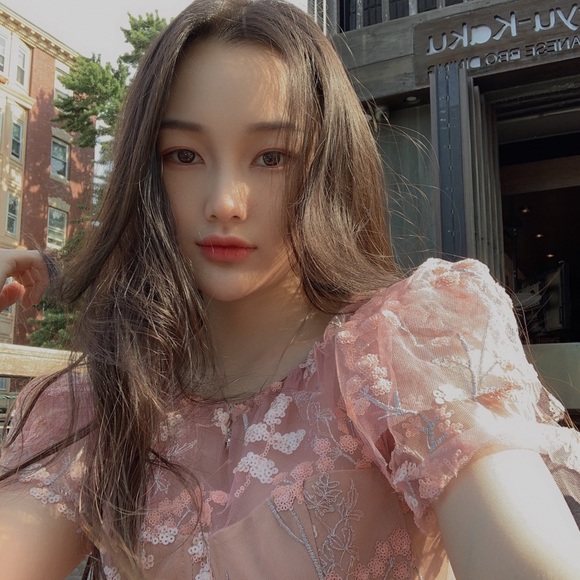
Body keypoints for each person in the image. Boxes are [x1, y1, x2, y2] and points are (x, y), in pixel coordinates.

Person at [1, 0, 580, 578]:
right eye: (184, 155)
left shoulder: (401, 354)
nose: (224, 202)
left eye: (272, 157)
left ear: (327, 164)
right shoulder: (102, 406)